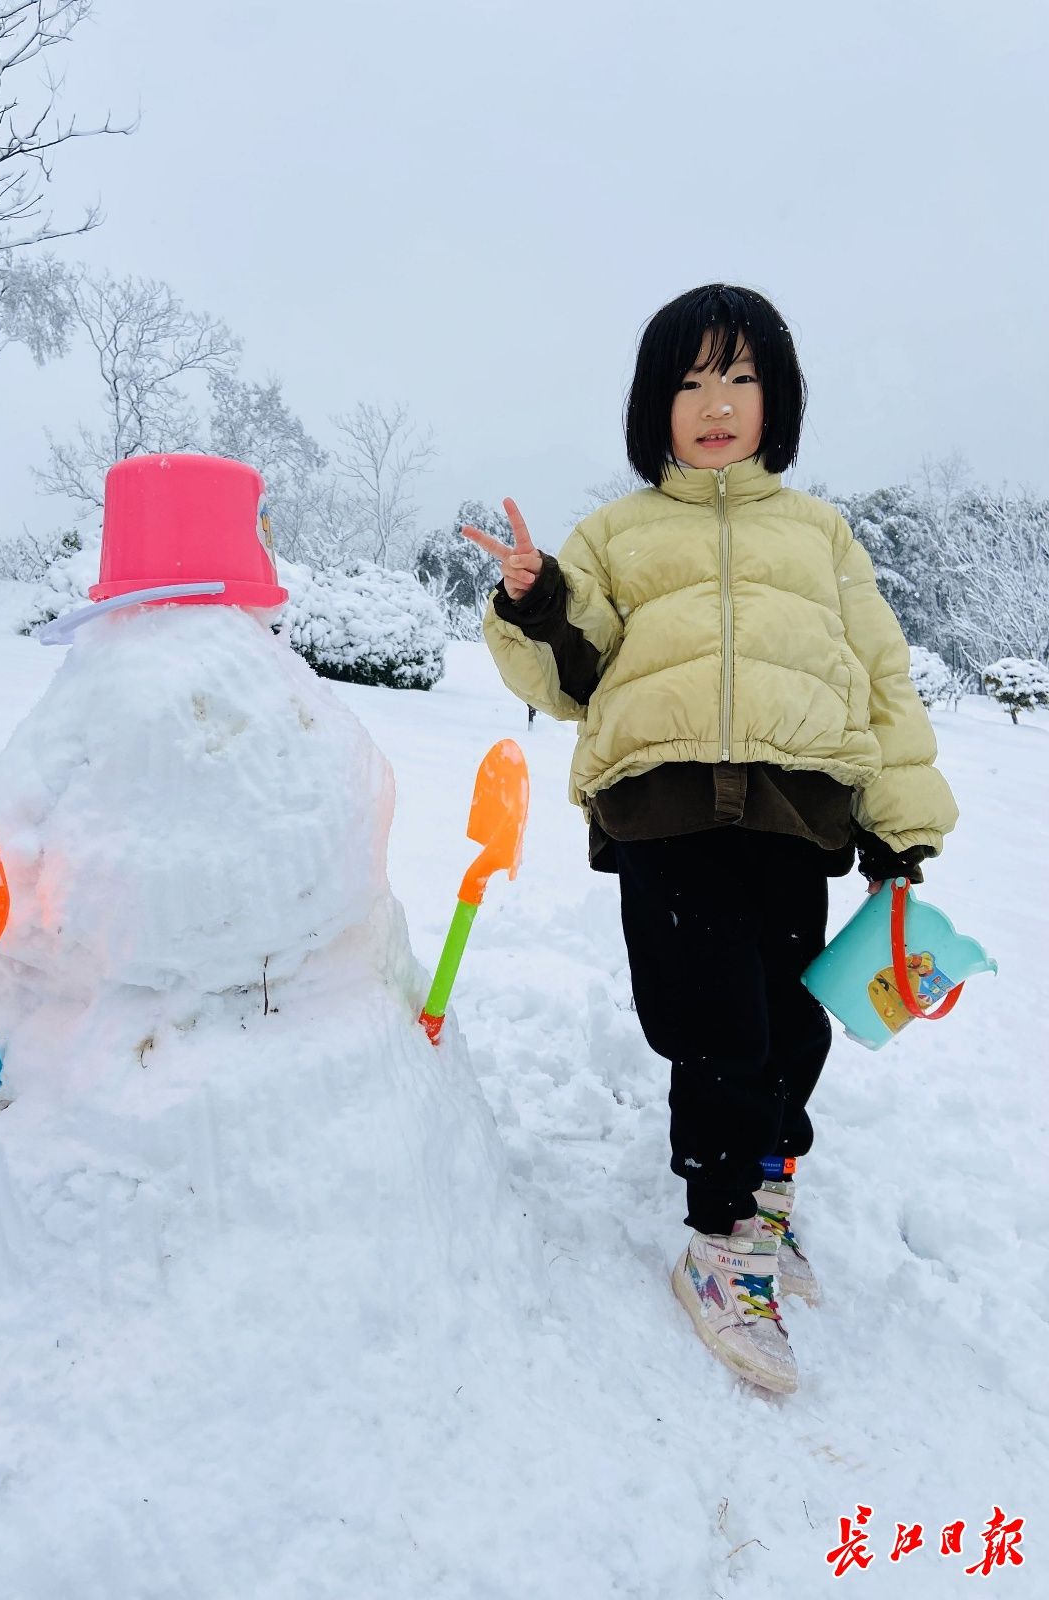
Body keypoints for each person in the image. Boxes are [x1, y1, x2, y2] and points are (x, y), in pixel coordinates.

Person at [460, 283, 958, 1394]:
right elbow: (573, 673)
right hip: (669, 812)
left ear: (776, 398)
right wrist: (539, 602)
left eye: (739, 376)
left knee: (790, 1022)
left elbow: (878, 678)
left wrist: (899, 828)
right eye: (690, 382)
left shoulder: (821, 535)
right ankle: (723, 1238)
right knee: (715, 1018)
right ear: (655, 408)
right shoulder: (621, 535)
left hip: (796, 815)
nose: (716, 401)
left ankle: (765, 1194)